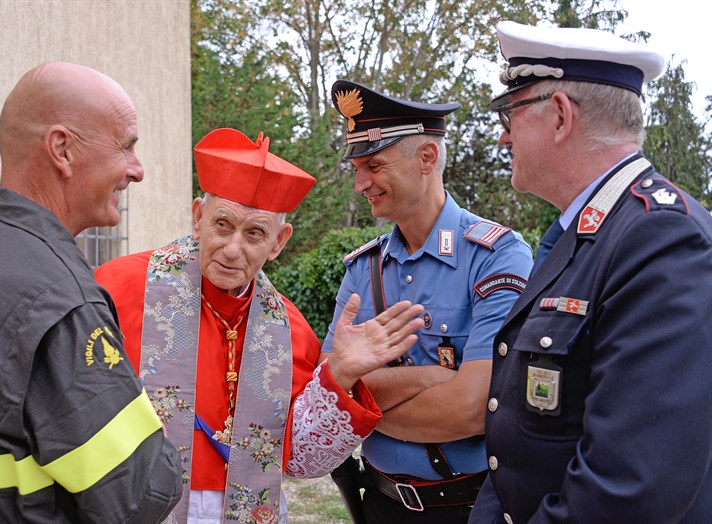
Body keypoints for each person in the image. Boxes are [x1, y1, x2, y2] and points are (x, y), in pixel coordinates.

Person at [94, 127, 425, 523]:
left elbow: (301, 462)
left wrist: (340, 373)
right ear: (198, 217)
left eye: (254, 233)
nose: (233, 249)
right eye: (222, 225)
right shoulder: (113, 289)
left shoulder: (289, 329)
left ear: (278, 242)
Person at [0, 62, 183, 523]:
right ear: (62, 149)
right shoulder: (62, 298)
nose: (136, 171)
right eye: (126, 146)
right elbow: (138, 497)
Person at [469, 21, 712, 523]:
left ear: (559, 116)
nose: (502, 136)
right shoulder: (584, 233)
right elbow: (517, 447)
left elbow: (629, 487)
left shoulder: (661, 237)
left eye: (510, 114)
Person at [321, 80, 534, 523]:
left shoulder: (497, 256)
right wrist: (436, 377)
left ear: (427, 158)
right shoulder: (364, 268)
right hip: (379, 506)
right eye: (357, 168)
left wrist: (366, 405)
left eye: (374, 165)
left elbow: (473, 408)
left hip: (470, 509)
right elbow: (329, 390)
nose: (361, 184)